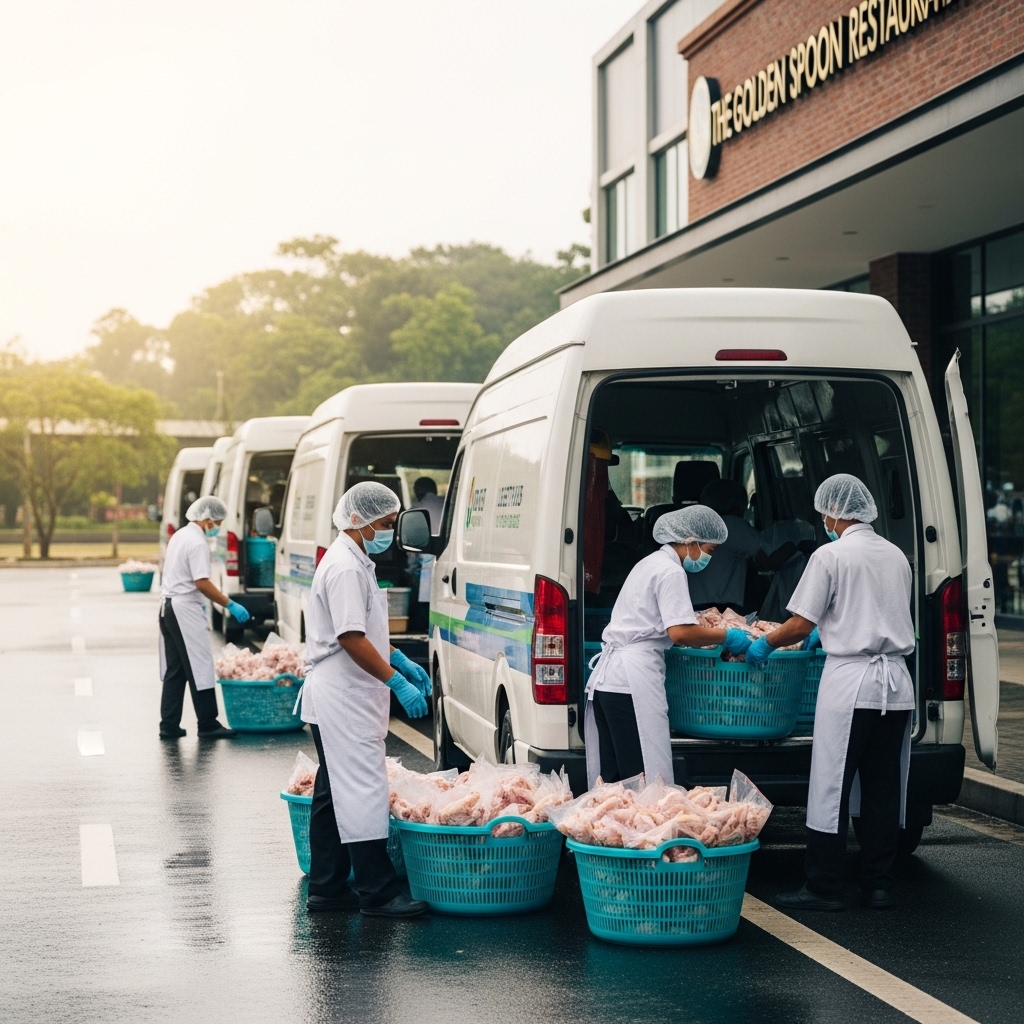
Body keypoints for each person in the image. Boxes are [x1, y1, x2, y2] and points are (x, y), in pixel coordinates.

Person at [744, 473, 915, 911]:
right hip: (895, 686)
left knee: (832, 783)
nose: (823, 519)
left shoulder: (830, 556)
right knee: (882, 785)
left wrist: (764, 642)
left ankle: (824, 886)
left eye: (824, 512)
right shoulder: (896, 556)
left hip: (850, 681)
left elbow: (801, 623)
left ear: (833, 513)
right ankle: (879, 883)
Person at [300, 481, 432, 917]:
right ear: (358, 520)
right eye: (385, 524)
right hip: (343, 694)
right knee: (361, 788)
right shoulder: (344, 568)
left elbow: (366, 629)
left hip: (344, 691)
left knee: (332, 791)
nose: (390, 533)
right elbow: (351, 638)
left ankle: (326, 887)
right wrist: (396, 680)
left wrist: (400, 660)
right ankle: (377, 893)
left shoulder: (356, 561)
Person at [583, 505, 754, 787]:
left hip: (609, 684)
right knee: (640, 781)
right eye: (710, 550)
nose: (710, 557)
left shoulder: (649, 563)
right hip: (631, 684)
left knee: (615, 783)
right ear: (691, 541)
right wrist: (726, 636)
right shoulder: (671, 572)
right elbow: (680, 633)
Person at [158, 495, 250, 740]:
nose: (217, 527)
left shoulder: (180, 535)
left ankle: (168, 724)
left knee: (176, 670)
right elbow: (201, 582)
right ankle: (208, 724)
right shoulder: (197, 542)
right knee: (200, 665)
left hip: (167, 607)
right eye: (217, 522)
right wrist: (229, 604)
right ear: (207, 518)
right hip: (184, 609)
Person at [687, 479, 797, 612]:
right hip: (719, 609)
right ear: (736, 507)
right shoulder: (732, 524)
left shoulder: (691, 526)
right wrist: (795, 544)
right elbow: (769, 561)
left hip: (689, 606)